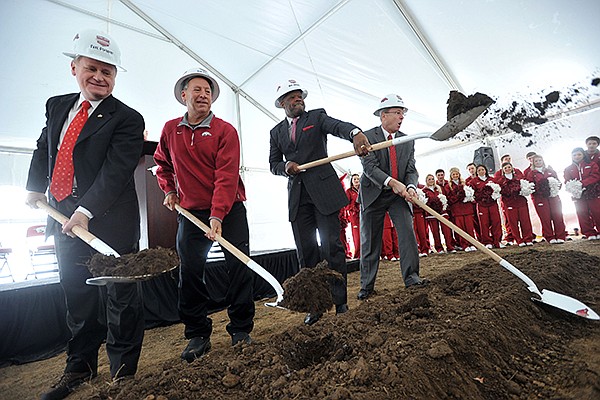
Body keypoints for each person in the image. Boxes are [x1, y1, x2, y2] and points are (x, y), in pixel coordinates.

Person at [25, 30, 145, 399]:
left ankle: (123, 374)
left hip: (108, 221)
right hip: (63, 219)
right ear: (74, 67)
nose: (99, 77)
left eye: (107, 72)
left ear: (115, 76)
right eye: (91, 68)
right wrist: (33, 186)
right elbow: (46, 144)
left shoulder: (127, 118)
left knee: (120, 298)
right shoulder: (57, 105)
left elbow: (116, 171)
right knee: (77, 296)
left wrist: (85, 210)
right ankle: (80, 366)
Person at [154, 68, 255, 361]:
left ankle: (240, 329)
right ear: (183, 95)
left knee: (238, 268)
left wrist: (217, 216)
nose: (203, 95)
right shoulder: (171, 130)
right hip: (190, 212)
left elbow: (226, 176)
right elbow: (163, 164)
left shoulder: (225, 131)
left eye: (208, 91)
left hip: (229, 210)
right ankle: (197, 334)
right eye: (197, 90)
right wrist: (169, 190)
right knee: (191, 273)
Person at [269, 79, 370, 325]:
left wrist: (355, 134)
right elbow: (273, 164)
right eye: (292, 97)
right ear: (282, 103)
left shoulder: (316, 117)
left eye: (299, 95)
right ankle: (314, 306)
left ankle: (340, 303)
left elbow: (338, 127)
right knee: (306, 252)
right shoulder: (276, 133)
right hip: (298, 197)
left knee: (332, 248)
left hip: (324, 193)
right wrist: (285, 167)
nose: (298, 99)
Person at [358, 94, 426, 300]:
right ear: (383, 115)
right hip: (373, 193)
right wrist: (392, 182)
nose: (401, 117)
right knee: (370, 241)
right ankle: (366, 287)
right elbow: (370, 168)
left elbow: (411, 168)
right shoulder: (365, 137)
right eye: (397, 113)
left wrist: (411, 186)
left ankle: (412, 277)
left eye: (402, 113)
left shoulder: (407, 140)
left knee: (407, 233)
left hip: (399, 196)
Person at [526, 154, 567, 243]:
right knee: (545, 218)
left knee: (558, 216)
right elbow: (530, 186)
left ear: (543, 161)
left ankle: (560, 236)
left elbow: (558, 182)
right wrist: (540, 189)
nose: (538, 162)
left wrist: (554, 187)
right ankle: (549, 237)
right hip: (540, 198)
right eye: (536, 161)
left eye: (540, 160)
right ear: (533, 163)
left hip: (553, 197)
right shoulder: (531, 174)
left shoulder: (550, 171)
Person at [564, 147, 600, 240]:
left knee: (597, 212)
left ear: (583, 155)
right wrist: (573, 187)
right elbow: (567, 181)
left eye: (579, 154)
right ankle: (589, 233)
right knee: (582, 212)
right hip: (578, 195)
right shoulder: (568, 168)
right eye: (574, 155)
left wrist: (582, 183)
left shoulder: (591, 164)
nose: (576, 156)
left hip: (593, 192)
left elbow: (596, 176)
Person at [496, 162, 535, 246]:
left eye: (509, 167)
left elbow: (525, 186)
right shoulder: (501, 180)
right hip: (509, 204)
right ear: (503, 170)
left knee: (525, 221)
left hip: (521, 202)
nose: (507, 169)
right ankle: (518, 240)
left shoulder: (519, 177)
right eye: (505, 168)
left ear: (512, 168)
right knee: (513, 223)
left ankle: (528, 238)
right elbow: (500, 191)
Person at [468, 164, 503, 248]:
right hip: (482, 206)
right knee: (484, 223)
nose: (481, 171)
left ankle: (497, 241)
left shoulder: (492, 179)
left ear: (486, 170)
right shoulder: (473, 181)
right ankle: (487, 242)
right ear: (476, 172)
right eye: (479, 170)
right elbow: (472, 194)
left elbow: (498, 190)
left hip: (492, 204)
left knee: (496, 222)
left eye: (482, 169)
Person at [446, 167, 477, 252]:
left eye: (457, 174)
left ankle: (472, 243)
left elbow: (470, 194)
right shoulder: (448, 186)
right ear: (451, 176)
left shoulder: (465, 183)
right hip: (457, 210)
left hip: (467, 208)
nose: (455, 176)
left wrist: (466, 196)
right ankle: (464, 245)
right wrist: (458, 196)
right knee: (461, 228)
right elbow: (449, 198)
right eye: (453, 174)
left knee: (469, 227)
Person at [423, 174, 455, 254]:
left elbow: (444, 198)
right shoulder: (424, 190)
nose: (431, 181)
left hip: (442, 213)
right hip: (431, 214)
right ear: (426, 181)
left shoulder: (438, 188)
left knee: (446, 230)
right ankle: (439, 248)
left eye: (432, 179)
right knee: (435, 231)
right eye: (429, 179)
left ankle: (450, 247)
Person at [344, 173, 361, 258]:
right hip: (354, 216)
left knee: (365, 234)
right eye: (355, 179)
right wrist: (354, 208)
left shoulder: (362, 190)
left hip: (364, 215)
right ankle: (358, 255)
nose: (357, 180)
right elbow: (346, 205)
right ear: (351, 181)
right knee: (357, 236)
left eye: (358, 179)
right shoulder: (349, 191)